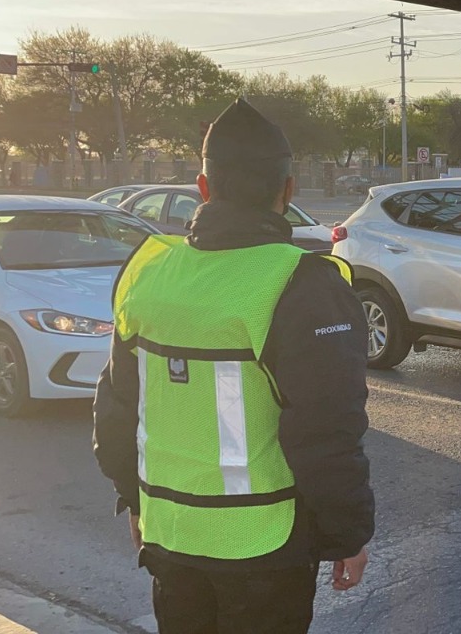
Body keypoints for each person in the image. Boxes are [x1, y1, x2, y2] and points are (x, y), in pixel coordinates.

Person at [94, 98, 375, 634]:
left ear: (203, 189)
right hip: (263, 548)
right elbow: (327, 432)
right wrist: (347, 535)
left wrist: (132, 499)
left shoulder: (149, 269)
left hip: (170, 537)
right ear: (288, 192)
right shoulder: (301, 283)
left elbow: (117, 405)